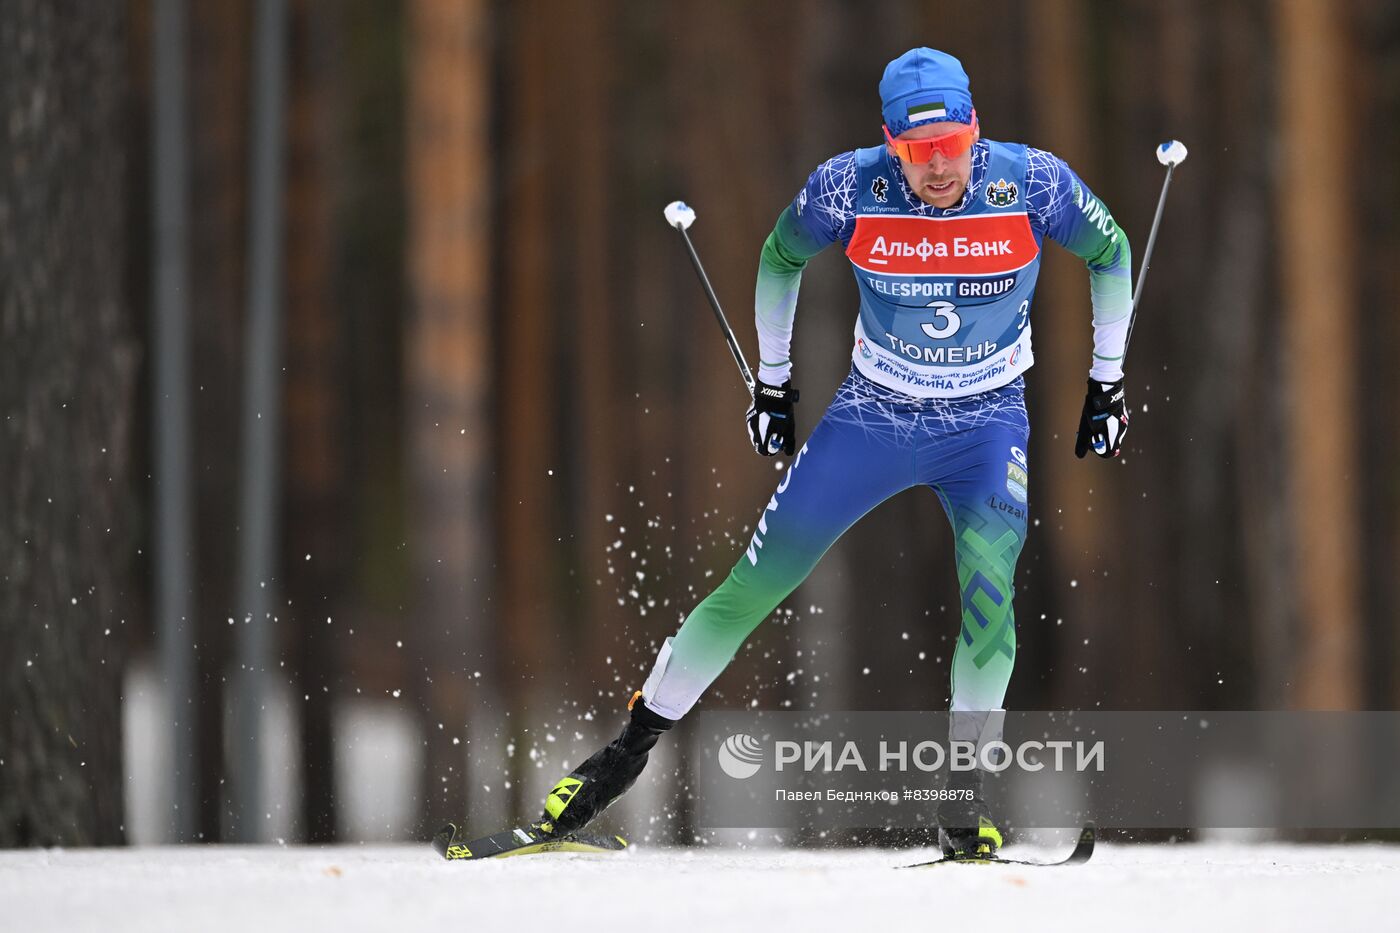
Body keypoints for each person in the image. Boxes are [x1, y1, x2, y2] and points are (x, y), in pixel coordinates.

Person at [535, 47, 1132, 859]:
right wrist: (773, 383)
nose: (938, 168)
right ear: (890, 144)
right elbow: (779, 257)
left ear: (976, 131)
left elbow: (1110, 250)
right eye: (917, 152)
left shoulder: (1033, 182)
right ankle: (621, 756)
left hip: (986, 423)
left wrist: (1107, 383)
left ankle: (964, 801)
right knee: (756, 583)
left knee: (991, 599)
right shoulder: (847, 188)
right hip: (873, 418)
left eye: (952, 146)